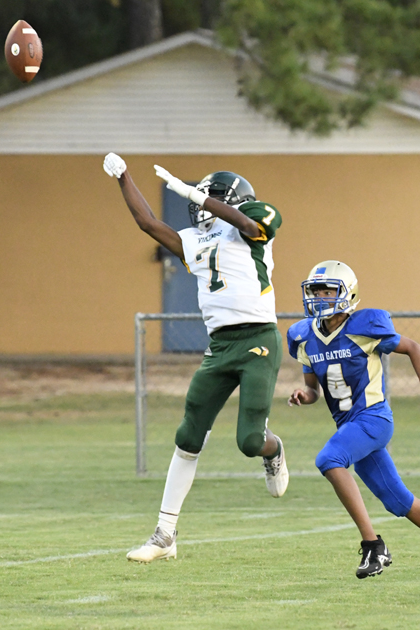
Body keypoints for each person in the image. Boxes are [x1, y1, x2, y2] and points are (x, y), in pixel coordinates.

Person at [103, 153, 289, 563]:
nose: (200, 204)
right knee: (188, 437)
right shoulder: (195, 239)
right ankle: (165, 535)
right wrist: (124, 178)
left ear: (233, 198)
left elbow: (246, 223)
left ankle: (272, 450)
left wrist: (190, 192)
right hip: (220, 345)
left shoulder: (256, 219)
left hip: (258, 338)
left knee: (249, 441)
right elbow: (149, 224)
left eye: (210, 197)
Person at [286, 260, 420, 589]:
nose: (320, 298)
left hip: (374, 418)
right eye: (315, 292)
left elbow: (413, 347)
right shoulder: (303, 336)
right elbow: (314, 389)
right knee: (399, 501)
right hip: (349, 425)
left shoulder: (364, 325)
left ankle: (373, 546)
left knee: (329, 460)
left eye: (328, 291)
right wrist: (304, 394)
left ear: (347, 293)